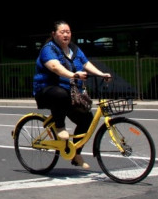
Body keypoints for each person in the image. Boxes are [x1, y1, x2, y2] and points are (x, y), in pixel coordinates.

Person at [32, 21, 111, 169]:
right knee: (60, 94)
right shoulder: (48, 49)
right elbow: (55, 67)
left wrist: (101, 74)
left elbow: (86, 63)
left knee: (87, 119)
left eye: (68, 31)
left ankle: (75, 153)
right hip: (47, 91)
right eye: (62, 32)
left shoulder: (74, 49)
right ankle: (59, 127)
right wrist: (73, 75)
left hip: (70, 93)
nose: (66, 34)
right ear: (54, 34)